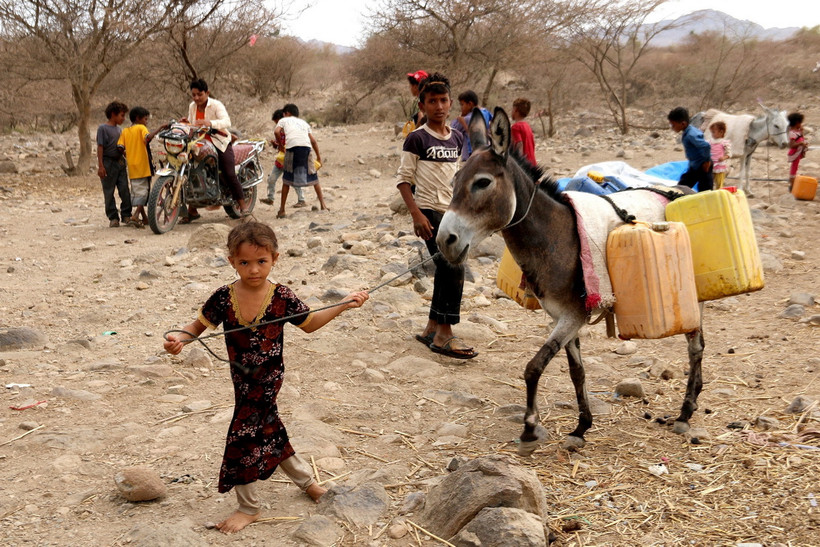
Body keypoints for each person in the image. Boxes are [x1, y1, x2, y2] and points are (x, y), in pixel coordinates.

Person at [163, 221, 369, 534]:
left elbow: (310, 323)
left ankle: (249, 507)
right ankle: (308, 483)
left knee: (243, 435)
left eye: (261, 262)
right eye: (244, 262)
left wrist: (343, 305)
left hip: (268, 379)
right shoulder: (222, 298)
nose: (254, 270)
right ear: (232, 261)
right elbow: (195, 328)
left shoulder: (282, 296)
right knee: (269, 427)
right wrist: (179, 341)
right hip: (242, 381)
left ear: (275, 258)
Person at [396, 72, 477, 360]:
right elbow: (404, 180)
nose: (439, 106)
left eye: (443, 100)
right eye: (432, 101)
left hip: (452, 212)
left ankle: (432, 327)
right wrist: (417, 213)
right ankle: (445, 334)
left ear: (451, 103)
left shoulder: (456, 137)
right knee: (453, 267)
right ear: (423, 105)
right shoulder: (416, 138)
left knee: (446, 266)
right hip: (429, 212)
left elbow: (457, 175)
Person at [180, 79, 249, 223]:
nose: (196, 98)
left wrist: (210, 123)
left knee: (229, 173)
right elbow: (193, 124)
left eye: (200, 94)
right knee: (192, 171)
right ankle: (192, 209)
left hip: (219, 142)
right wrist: (186, 123)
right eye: (194, 95)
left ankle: (243, 207)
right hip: (199, 143)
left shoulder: (216, 105)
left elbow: (226, 121)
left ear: (207, 93)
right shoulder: (192, 106)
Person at [117, 106, 167, 227]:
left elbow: (120, 147)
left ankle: (144, 218)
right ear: (138, 118)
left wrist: (127, 154)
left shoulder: (125, 131)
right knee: (144, 192)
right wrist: (160, 128)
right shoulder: (141, 128)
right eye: (145, 119)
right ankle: (136, 215)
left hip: (132, 167)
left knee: (138, 192)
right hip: (143, 166)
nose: (146, 122)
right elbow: (148, 138)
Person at [274, 103, 325, 218]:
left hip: (292, 148)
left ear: (287, 113)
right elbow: (313, 141)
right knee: (313, 175)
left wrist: (281, 146)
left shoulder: (283, 120)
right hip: (306, 148)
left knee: (287, 179)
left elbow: (277, 132)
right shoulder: (304, 123)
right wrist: (319, 157)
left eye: (284, 113)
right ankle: (323, 204)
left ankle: (282, 210)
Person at [97, 101, 135, 228]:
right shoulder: (103, 128)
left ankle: (126, 215)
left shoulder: (120, 130)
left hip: (120, 162)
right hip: (108, 163)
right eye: (122, 115)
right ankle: (113, 217)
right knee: (109, 191)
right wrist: (101, 166)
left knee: (124, 189)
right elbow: (100, 147)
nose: (123, 119)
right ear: (113, 114)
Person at [261, 109, 305, 208]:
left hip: (289, 158)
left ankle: (302, 199)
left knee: (292, 180)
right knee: (271, 179)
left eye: (277, 122)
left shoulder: (291, 130)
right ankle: (270, 198)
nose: (277, 125)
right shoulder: (279, 132)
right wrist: (276, 145)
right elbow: (280, 146)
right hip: (280, 159)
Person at [668, 107, 713, 192]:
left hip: (703, 165)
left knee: (705, 190)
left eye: (673, 125)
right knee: (682, 186)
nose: (672, 127)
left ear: (683, 124)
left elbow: (705, 146)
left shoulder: (691, 134)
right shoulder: (688, 132)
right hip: (695, 165)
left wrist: (707, 162)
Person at [450, 90, 492, 161]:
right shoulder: (485, 112)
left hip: (471, 152)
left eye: (462, 104)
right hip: (485, 149)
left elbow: (452, 130)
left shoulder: (468, 118)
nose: (461, 108)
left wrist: (462, 120)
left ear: (470, 104)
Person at [510, 97, 537, 166]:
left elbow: (519, 145)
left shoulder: (515, 127)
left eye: (512, 109)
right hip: (532, 164)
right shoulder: (527, 126)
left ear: (516, 110)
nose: (511, 111)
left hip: (525, 166)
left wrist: (519, 163)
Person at [708, 121, 732, 190]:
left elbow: (729, 154)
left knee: (719, 184)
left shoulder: (724, 143)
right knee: (710, 182)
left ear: (721, 132)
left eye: (713, 132)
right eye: (711, 132)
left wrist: (724, 157)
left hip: (720, 166)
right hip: (711, 166)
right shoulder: (709, 142)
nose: (712, 134)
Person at [787, 112, 807, 192]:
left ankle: (793, 184)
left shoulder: (798, 131)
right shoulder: (792, 133)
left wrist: (802, 133)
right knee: (793, 169)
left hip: (798, 153)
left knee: (795, 168)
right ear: (797, 122)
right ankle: (792, 186)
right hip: (794, 153)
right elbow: (792, 145)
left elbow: (801, 138)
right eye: (800, 123)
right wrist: (801, 143)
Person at [405, 69, 429, 134]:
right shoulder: (428, 99)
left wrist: (414, 133)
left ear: (415, 87)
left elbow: (421, 117)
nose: (410, 88)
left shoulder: (419, 100)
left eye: (410, 86)